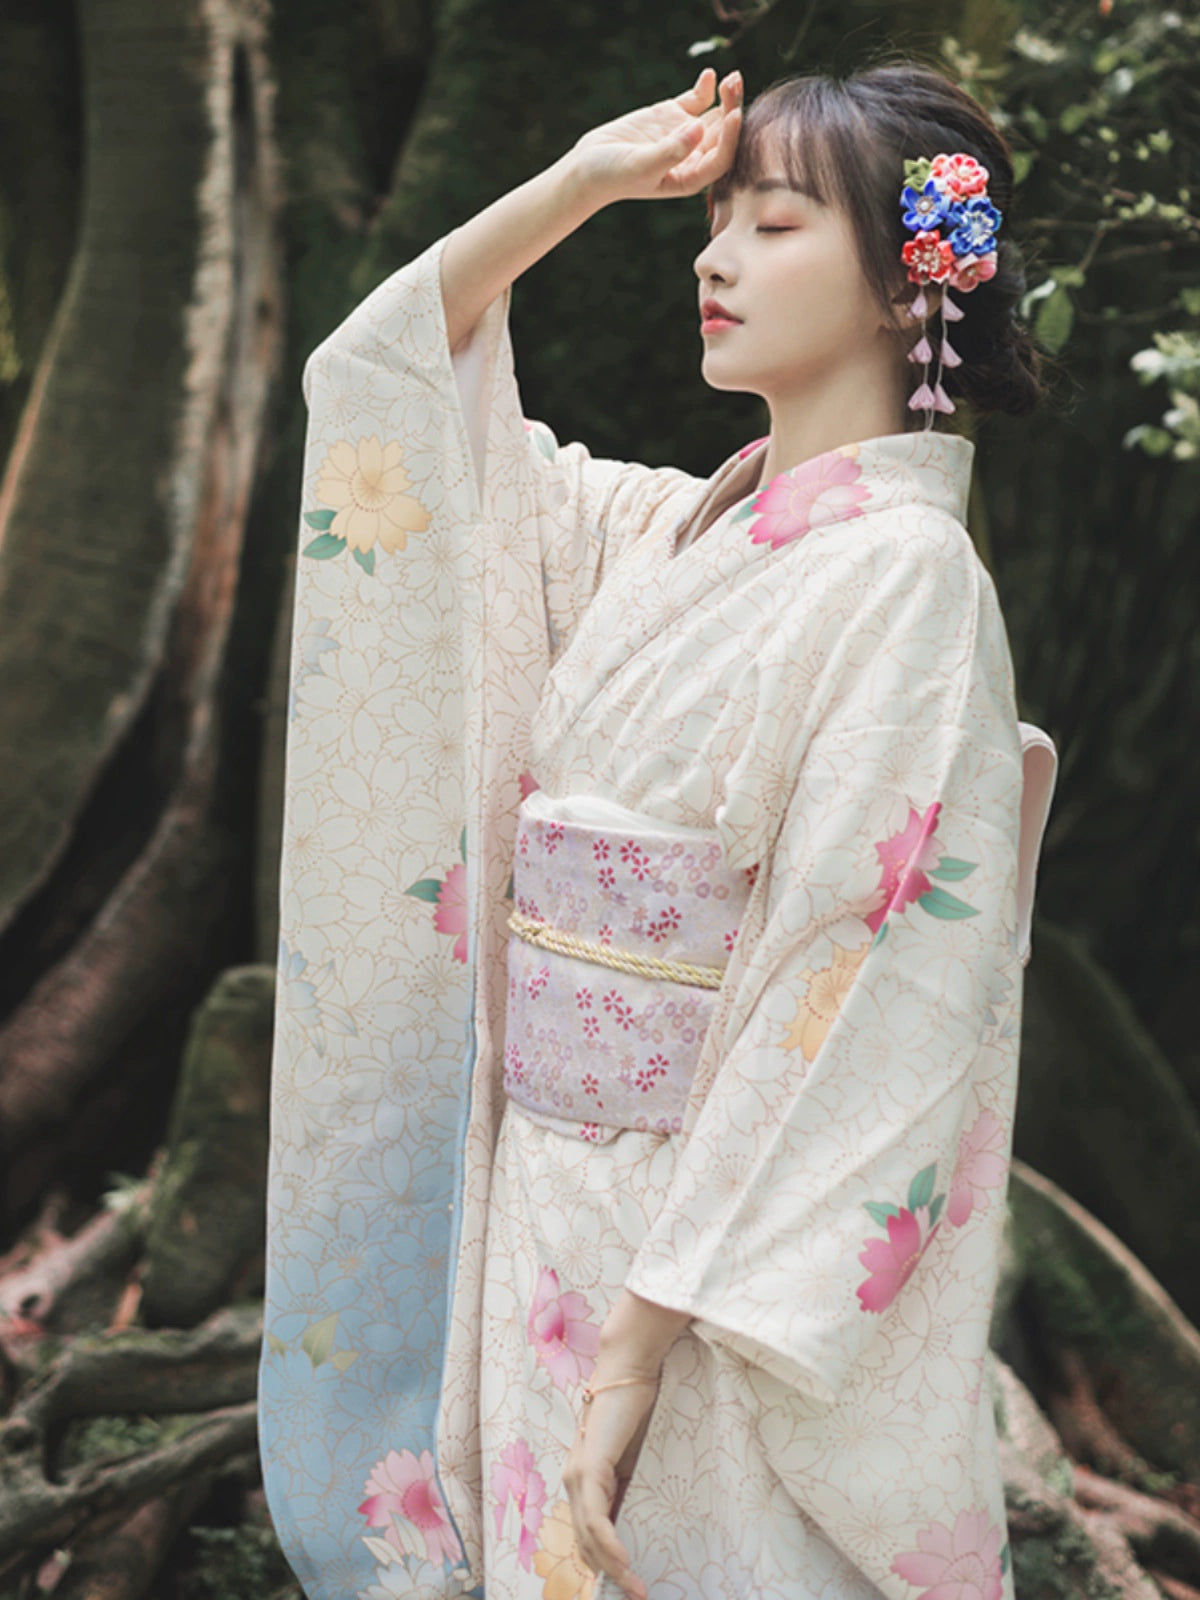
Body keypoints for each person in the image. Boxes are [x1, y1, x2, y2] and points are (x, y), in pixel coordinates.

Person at [259, 56, 1060, 1600]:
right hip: (545, 1200)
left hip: (699, 1261)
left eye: (771, 224)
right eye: (714, 224)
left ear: (912, 293)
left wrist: (644, 1334)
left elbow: (864, 981)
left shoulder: (903, 577)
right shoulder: (669, 530)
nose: (712, 256)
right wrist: (578, 181)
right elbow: (392, 387)